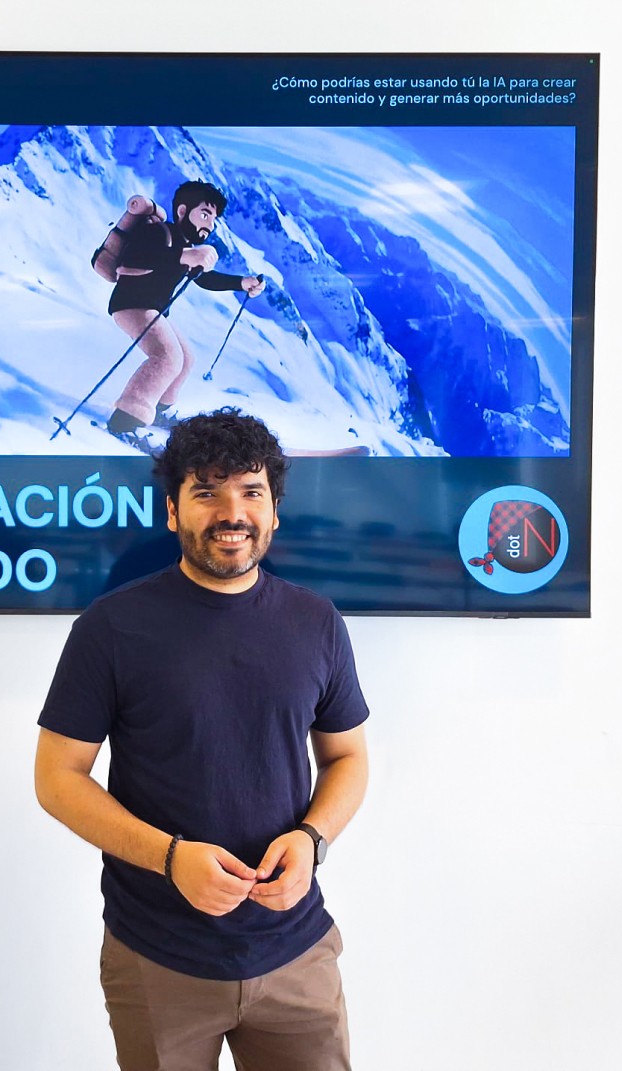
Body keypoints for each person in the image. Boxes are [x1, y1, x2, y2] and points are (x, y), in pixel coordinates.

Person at [35, 408, 369, 1071]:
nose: (231, 512)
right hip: (157, 956)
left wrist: (313, 839)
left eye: (250, 491)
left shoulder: (317, 622)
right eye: (207, 491)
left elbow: (347, 756)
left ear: (274, 511)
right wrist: (169, 858)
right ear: (172, 511)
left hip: (295, 951)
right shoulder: (111, 627)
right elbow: (57, 777)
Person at [105, 181, 265, 440]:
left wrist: (241, 283)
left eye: (213, 220)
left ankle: (157, 410)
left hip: (153, 309)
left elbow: (204, 278)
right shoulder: (158, 233)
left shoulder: (184, 245)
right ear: (182, 211)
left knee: (185, 359)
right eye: (205, 215)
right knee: (167, 357)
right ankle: (125, 420)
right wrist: (183, 256)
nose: (209, 225)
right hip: (131, 304)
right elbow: (138, 257)